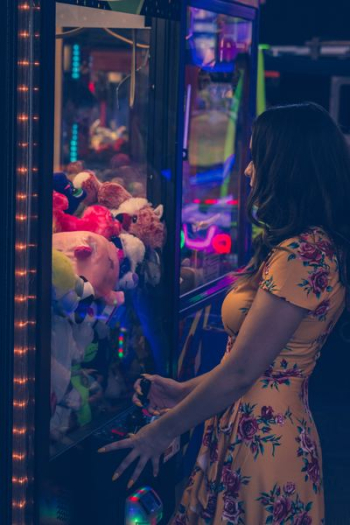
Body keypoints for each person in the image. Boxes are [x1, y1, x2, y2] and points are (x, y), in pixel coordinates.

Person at [98, 102, 350, 524]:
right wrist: (182, 392)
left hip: (264, 442)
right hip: (251, 424)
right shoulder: (307, 246)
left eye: (256, 158)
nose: (249, 171)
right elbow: (254, 365)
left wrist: (160, 433)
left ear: (285, 167)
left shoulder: (303, 254)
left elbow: (242, 373)